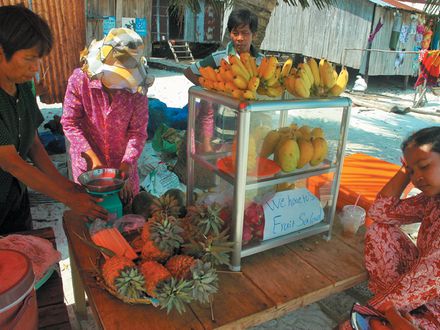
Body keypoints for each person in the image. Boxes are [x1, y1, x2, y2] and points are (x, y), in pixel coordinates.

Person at [0, 4, 108, 234]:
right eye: (29, 58)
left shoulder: (25, 86)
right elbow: (10, 161)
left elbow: (33, 143)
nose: (35, 68)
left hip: (14, 197)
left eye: (38, 59)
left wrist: (66, 186)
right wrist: (66, 198)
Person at [353, 126, 440, 329]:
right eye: (411, 171)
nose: (416, 177)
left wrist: (373, 310)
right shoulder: (432, 199)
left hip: (434, 301)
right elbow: (380, 213)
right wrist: (405, 168)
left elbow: (431, 273)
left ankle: (398, 311)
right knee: (379, 230)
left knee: (363, 322)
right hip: (425, 286)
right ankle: (398, 310)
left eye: (424, 166)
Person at [61, 28, 152, 207]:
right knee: (92, 219)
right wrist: (91, 158)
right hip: (88, 170)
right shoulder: (80, 80)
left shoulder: (137, 91)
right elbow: (70, 122)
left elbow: (138, 133)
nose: (121, 86)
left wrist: (126, 166)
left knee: (125, 220)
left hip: (124, 171)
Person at [183, 9, 264, 152]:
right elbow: (189, 71)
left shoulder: (262, 62)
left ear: (254, 35)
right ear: (230, 34)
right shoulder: (219, 58)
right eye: (235, 33)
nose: (240, 38)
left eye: (245, 33)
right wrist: (212, 88)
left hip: (251, 129)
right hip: (222, 131)